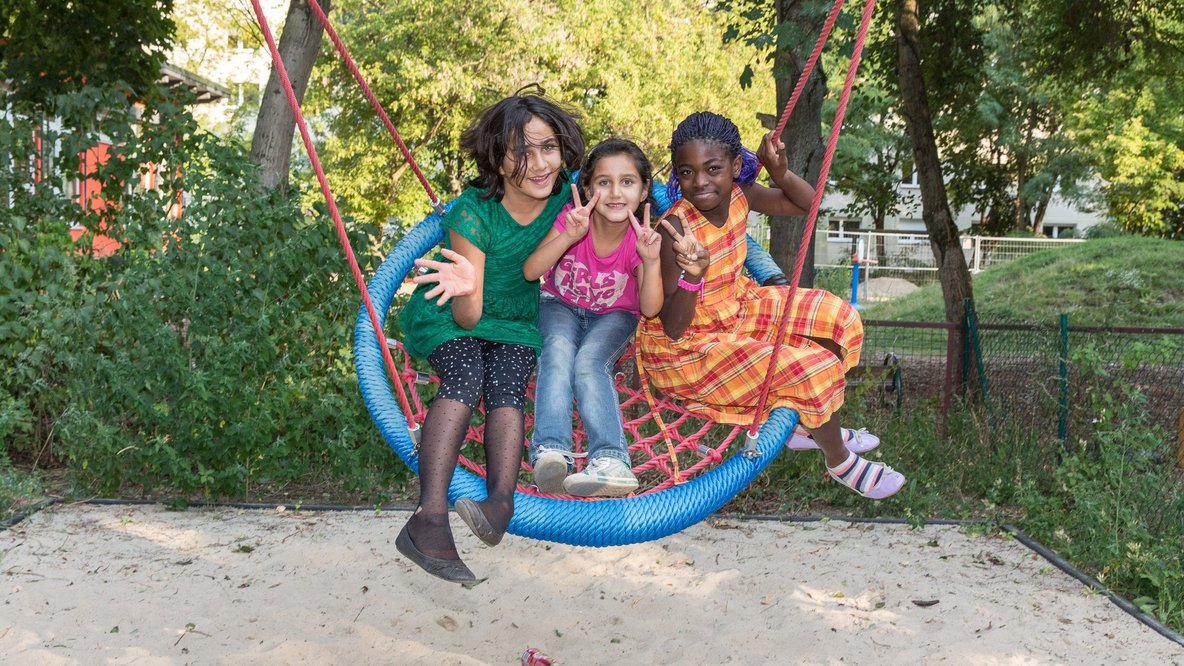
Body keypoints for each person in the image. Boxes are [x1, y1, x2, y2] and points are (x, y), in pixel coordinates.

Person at [639, 111, 905, 499]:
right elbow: (674, 327)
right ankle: (839, 460)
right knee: (810, 367)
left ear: (734, 166)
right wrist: (694, 274)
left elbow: (808, 205)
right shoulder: (675, 230)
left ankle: (808, 425)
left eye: (712, 168)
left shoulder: (740, 196)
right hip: (688, 348)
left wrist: (779, 172)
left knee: (841, 318)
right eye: (686, 172)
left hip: (738, 306)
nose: (699, 182)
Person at [395, 91, 585, 583]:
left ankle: (501, 502)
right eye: (520, 152)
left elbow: (623, 186)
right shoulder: (472, 215)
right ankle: (428, 517)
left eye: (548, 147)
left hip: (517, 318)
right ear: (497, 161)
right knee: (466, 374)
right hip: (453, 312)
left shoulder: (569, 194)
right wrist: (468, 286)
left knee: (508, 382)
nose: (539, 163)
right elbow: (467, 316)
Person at [522, 138, 663, 497]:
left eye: (627, 182)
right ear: (586, 188)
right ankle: (551, 451)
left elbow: (650, 308)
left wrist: (650, 260)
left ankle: (611, 460)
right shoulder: (571, 222)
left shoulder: (641, 239)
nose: (616, 192)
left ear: (644, 189)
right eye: (604, 182)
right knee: (555, 350)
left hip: (615, 315)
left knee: (588, 363)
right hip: (559, 304)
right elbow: (531, 270)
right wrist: (568, 236)